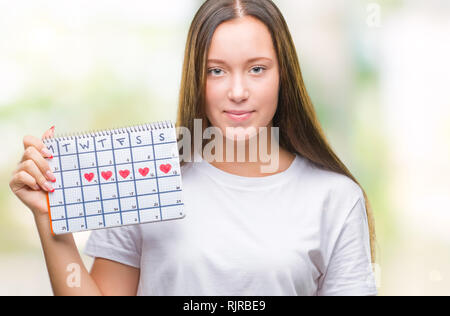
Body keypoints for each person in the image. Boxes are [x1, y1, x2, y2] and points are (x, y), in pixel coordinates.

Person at [9, 0, 377, 296]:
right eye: (216, 70)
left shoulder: (335, 199)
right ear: (195, 79)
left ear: (284, 75)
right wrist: (49, 219)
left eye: (257, 69)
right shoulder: (143, 176)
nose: (237, 91)